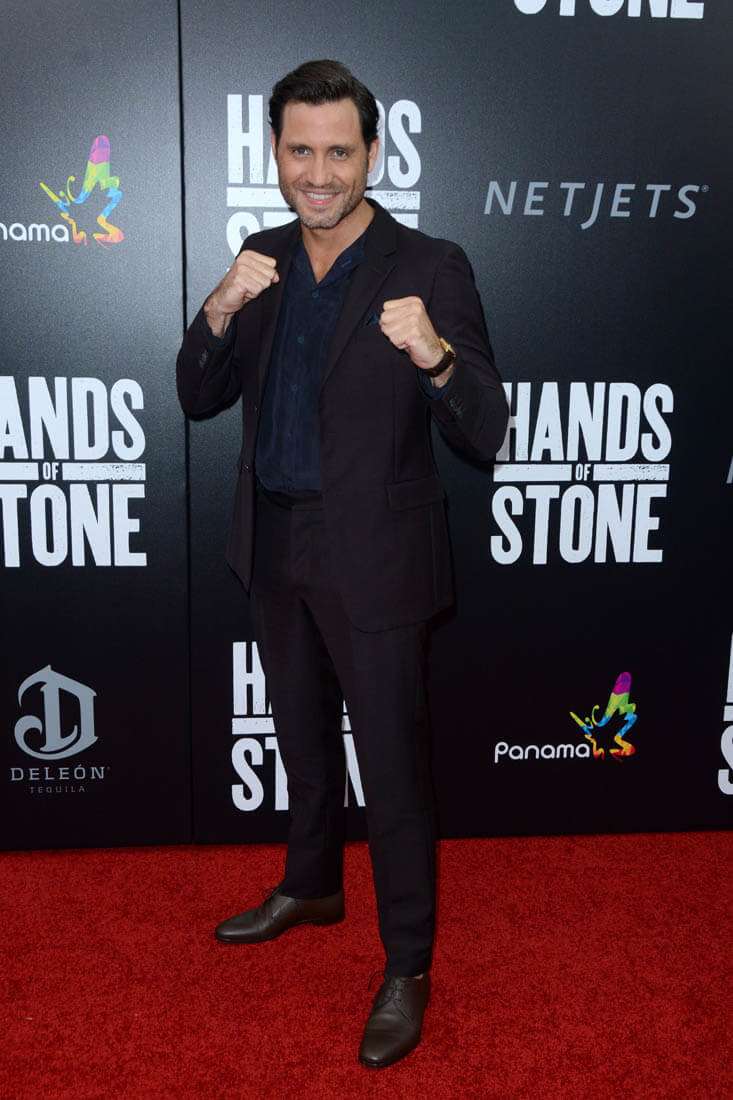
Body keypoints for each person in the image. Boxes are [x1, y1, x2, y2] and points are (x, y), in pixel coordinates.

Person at [176, 59, 509, 1070]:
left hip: (377, 555)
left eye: (337, 151)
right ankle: (312, 884)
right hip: (275, 538)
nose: (317, 173)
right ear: (274, 153)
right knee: (301, 736)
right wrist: (219, 308)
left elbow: (487, 429)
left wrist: (436, 357)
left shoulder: (430, 264)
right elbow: (195, 395)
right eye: (299, 151)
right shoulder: (261, 259)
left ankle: (406, 963)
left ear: (372, 152)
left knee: (393, 769)